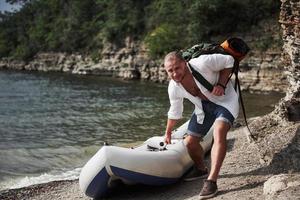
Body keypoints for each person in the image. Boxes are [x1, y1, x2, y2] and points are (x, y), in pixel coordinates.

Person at [163, 51, 239, 199]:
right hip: (203, 108)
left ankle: (211, 181)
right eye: (170, 70)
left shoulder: (202, 63)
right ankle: (201, 169)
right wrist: (168, 132)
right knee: (190, 143)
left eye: (177, 68)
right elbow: (175, 111)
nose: (174, 73)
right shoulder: (174, 87)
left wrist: (221, 84)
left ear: (184, 63)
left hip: (225, 102)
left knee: (219, 131)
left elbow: (229, 60)